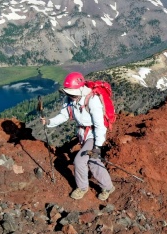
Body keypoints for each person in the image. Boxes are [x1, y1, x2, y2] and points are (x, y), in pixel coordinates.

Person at [41, 72, 115, 201]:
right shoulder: (70, 99)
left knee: (80, 161)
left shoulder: (92, 100)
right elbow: (64, 115)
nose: (70, 95)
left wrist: (98, 146)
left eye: (72, 92)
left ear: (80, 88)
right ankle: (108, 187)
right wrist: (49, 122)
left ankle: (82, 187)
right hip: (82, 134)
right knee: (93, 161)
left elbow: (99, 125)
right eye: (68, 92)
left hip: (93, 134)